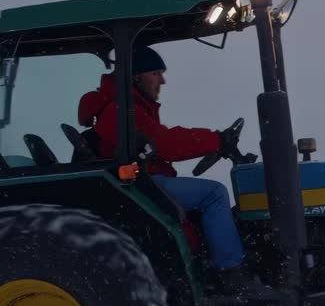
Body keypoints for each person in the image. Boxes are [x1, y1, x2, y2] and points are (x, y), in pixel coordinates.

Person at [77, 45, 253, 292]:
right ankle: (232, 273)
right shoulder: (120, 109)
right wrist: (215, 140)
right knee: (214, 194)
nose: (162, 80)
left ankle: (217, 264)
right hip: (139, 183)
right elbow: (165, 144)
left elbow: (158, 142)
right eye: (156, 73)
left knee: (205, 199)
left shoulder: (126, 106)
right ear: (135, 76)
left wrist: (215, 142)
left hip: (143, 179)